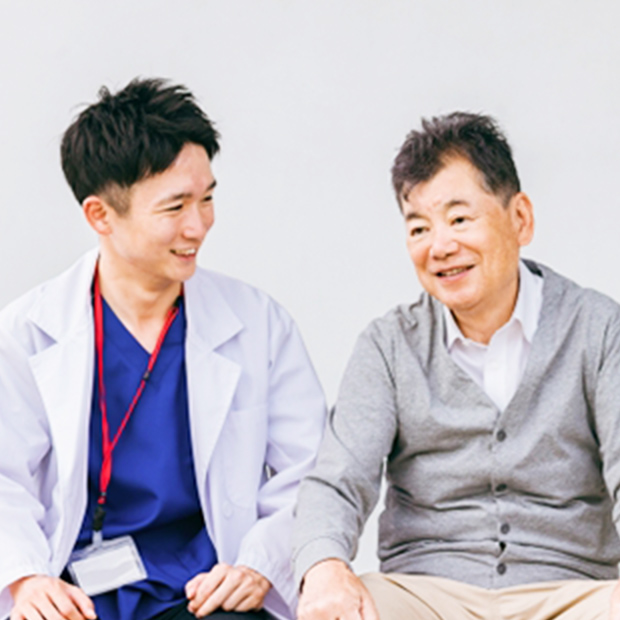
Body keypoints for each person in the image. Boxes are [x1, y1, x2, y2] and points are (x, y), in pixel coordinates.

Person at [0, 78, 326, 620]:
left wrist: (258, 564)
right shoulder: (28, 332)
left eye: (207, 199)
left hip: (204, 593)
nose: (198, 226)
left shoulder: (258, 324)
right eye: (175, 207)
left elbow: (310, 473)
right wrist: (27, 578)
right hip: (73, 594)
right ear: (100, 215)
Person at [293, 111, 620, 620]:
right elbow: (337, 481)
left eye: (460, 219)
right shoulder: (388, 345)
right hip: (425, 595)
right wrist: (324, 567)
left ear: (520, 218)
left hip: (570, 593)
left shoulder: (599, 328)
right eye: (419, 228)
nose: (440, 246)